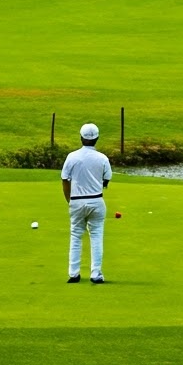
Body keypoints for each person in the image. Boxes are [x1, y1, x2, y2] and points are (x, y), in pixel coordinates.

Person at [60, 121, 112, 284]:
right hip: (96, 201)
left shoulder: (72, 156)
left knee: (76, 235)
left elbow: (64, 179)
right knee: (96, 236)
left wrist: (69, 200)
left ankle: (73, 273)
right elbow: (107, 179)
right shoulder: (102, 158)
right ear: (97, 138)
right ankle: (96, 274)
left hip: (76, 201)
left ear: (81, 138)